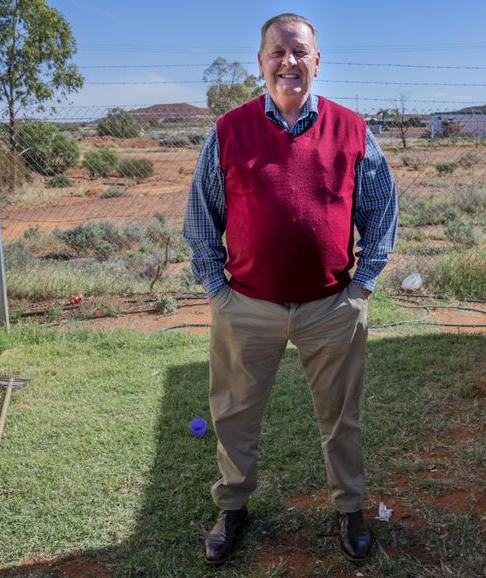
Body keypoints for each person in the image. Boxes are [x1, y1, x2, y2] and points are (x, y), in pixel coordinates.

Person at [183, 12, 397, 566]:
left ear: (317, 62)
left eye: (300, 52)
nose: (289, 62)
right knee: (232, 415)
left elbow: (381, 211)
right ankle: (233, 508)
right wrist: (216, 289)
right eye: (277, 52)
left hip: (332, 307)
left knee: (341, 417)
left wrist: (362, 288)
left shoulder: (352, 130)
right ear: (261, 62)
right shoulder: (229, 131)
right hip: (247, 308)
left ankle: (349, 510)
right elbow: (202, 214)